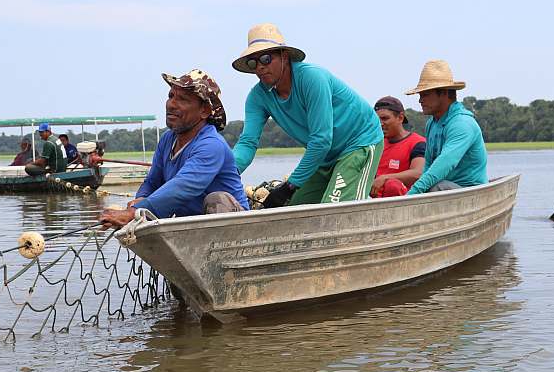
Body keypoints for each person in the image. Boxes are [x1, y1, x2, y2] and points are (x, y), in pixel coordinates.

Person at [231, 23, 384, 208]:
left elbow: (321, 140)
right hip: (325, 156)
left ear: (284, 56)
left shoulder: (312, 78)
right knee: (293, 209)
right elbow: (247, 142)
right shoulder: (257, 97)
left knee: (333, 211)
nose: (260, 67)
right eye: (253, 63)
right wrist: (227, 173)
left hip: (358, 143)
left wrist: (289, 186)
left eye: (266, 58)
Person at [99, 69, 249, 229]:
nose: (171, 104)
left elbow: (183, 186)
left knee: (217, 199)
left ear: (204, 111)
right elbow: (152, 182)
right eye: (171, 96)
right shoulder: (168, 139)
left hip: (235, 225)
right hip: (194, 225)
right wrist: (140, 200)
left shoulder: (212, 145)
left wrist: (133, 213)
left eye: (182, 99)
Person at [404, 60, 488, 195]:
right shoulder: (432, 123)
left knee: (435, 187)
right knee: (430, 185)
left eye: (425, 95)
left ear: (443, 93)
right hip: (444, 187)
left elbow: (443, 165)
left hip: (470, 190)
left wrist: (411, 195)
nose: (420, 100)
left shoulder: (462, 124)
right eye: (420, 95)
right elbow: (428, 165)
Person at [370, 96, 426, 197]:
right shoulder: (376, 144)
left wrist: (385, 178)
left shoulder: (417, 143)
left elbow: (418, 173)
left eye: (385, 118)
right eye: (377, 120)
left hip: (403, 199)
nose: (380, 124)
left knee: (392, 186)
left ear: (400, 118)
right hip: (373, 197)